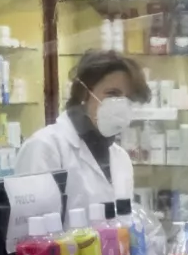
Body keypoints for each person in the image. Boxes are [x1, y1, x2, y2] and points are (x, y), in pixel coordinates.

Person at [17, 51, 149, 212]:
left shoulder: (120, 157)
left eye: (128, 98)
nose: (121, 104)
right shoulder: (45, 148)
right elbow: (31, 229)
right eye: (112, 94)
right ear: (84, 93)